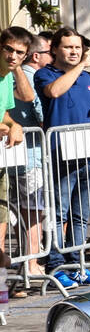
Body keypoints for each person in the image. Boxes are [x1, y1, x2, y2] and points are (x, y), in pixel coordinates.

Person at [35, 26, 90, 287]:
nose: (75, 51)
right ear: (55, 49)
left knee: (81, 215)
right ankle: (56, 265)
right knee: (59, 213)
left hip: (88, 154)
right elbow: (54, 92)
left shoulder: (86, 78)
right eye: (68, 47)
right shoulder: (45, 74)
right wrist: (80, 65)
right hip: (60, 153)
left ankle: (77, 264)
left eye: (78, 48)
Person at [0, 27, 36, 272]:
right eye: (8, 49)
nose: (12, 56)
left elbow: (24, 98)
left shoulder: (9, 76)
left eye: (19, 53)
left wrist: (14, 124)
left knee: (2, 209)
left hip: (1, 158)